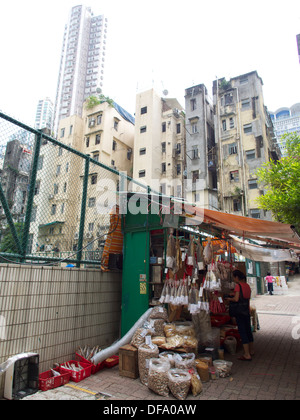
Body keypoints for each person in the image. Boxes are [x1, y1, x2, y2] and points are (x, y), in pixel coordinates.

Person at [227, 269, 254, 361]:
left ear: (237, 277)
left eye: (234, 277)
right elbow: (246, 298)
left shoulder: (238, 286)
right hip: (246, 310)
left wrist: (229, 299)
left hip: (239, 312)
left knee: (242, 331)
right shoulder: (247, 286)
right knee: (248, 331)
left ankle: (246, 354)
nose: (234, 279)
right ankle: (251, 351)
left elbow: (236, 299)